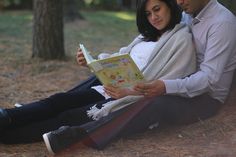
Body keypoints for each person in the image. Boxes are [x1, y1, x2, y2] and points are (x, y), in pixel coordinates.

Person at [38, 0, 236, 155]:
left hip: (205, 98)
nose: (179, 2)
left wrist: (165, 86)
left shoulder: (222, 23)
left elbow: (209, 79)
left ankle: (81, 134)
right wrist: (98, 62)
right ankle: (51, 105)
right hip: (178, 76)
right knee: (103, 79)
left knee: (155, 102)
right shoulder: (188, 13)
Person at [0, 0, 196, 153]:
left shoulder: (181, 39)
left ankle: (8, 136)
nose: (153, 17)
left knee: (66, 117)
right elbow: (121, 58)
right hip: (107, 87)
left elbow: (170, 80)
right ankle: (7, 116)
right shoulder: (146, 36)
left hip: (126, 99)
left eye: (157, 9)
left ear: (170, 6)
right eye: (148, 13)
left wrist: (128, 92)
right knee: (58, 101)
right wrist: (92, 61)